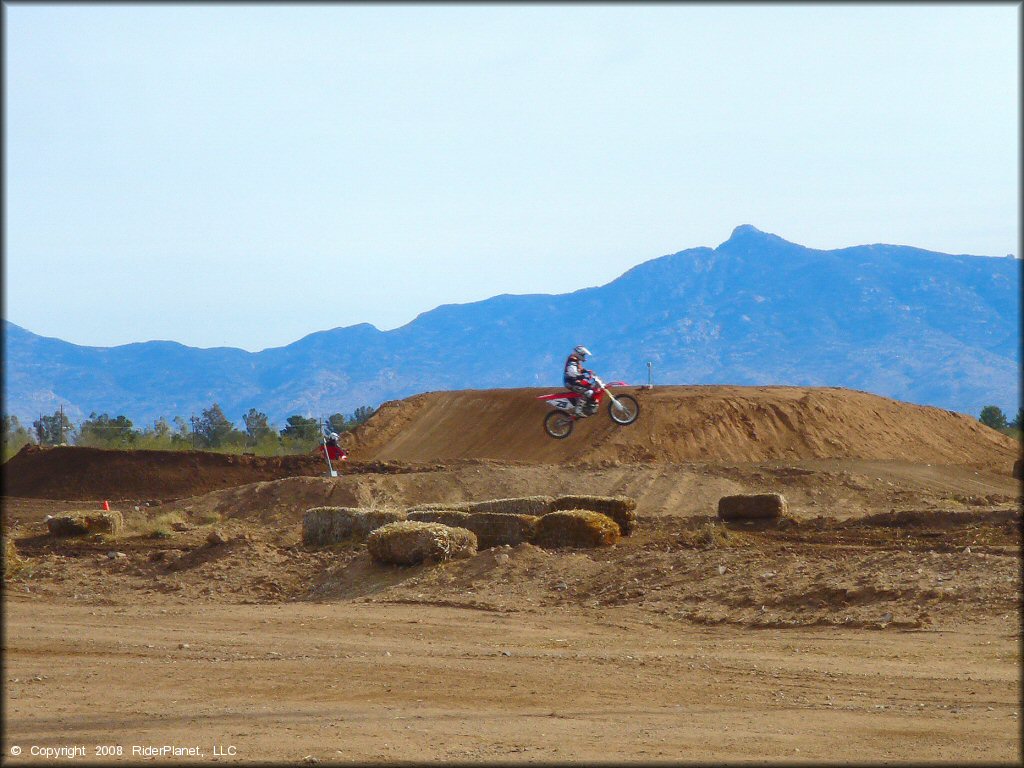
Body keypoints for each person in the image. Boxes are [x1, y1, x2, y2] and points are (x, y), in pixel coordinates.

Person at [563, 345, 595, 416]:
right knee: (587, 391)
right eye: (583, 354)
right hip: (570, 382)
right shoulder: (572, 360)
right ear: (579, 353)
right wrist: (583, 376)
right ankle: (578, 410)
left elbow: (579, 369)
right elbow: (573, 373)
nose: (584, 356)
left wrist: (587, 371)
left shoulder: (576, 360)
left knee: (591, 387)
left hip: (574, 381)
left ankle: (587, 406)